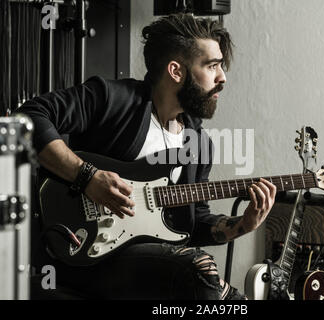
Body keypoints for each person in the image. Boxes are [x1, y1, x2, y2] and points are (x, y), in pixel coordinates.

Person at [18, 13, 276, 300]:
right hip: (79, 253)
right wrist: (87, 176)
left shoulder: (199, 144)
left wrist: (242, 225)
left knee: (203, 276)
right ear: (176, 71)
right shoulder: (112, 99)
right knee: (197, 268)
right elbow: (28, 117)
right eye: (212, 65)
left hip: (140, 261)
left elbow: (194, 220)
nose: (222, 77)